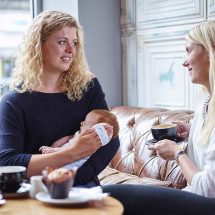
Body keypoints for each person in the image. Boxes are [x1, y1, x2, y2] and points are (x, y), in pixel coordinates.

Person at [103, 21, 215, 215]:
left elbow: (207, 189)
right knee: (106, 196)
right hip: (196, 198)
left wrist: (177, 154)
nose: (184, 61)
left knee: (111, 196)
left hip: (207, 204)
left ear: (211, 51)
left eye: (189, 51)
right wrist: (193, 132)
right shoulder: (207, 100)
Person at [0, 10, 120, 187]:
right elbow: (8, 162)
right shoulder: (13, 102)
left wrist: (72, 179)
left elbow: (110, 139)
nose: (71, 50)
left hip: (84, 187)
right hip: (37, 192)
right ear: (38, 46)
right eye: (62, 42)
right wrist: (72, 152)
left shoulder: (88, 86)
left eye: (75, 43)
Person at [39, 109, 119, 169]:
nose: (81, 123)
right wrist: (54, 146)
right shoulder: (79, 134)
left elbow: (69, 151)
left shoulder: (88, 146)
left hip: (67, 166)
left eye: (85, 123)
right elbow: (68, 138)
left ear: (97, 133)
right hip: (58, 155)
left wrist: (53, 151)